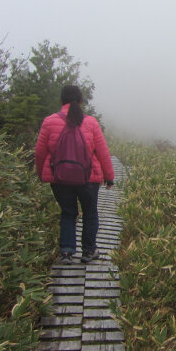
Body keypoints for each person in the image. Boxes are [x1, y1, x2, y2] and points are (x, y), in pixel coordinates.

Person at [35, 85, 114, 264]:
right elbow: (102, 152)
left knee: (68, 213)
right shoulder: (91, 123)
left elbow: (40, 152)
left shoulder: (49, 122)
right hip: (88, 178)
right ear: (80, 101)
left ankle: (67, 252)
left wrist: (41, 174)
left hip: (59, 177)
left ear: (61, 100)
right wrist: (109, 177)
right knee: (90, 213)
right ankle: (88, 251)